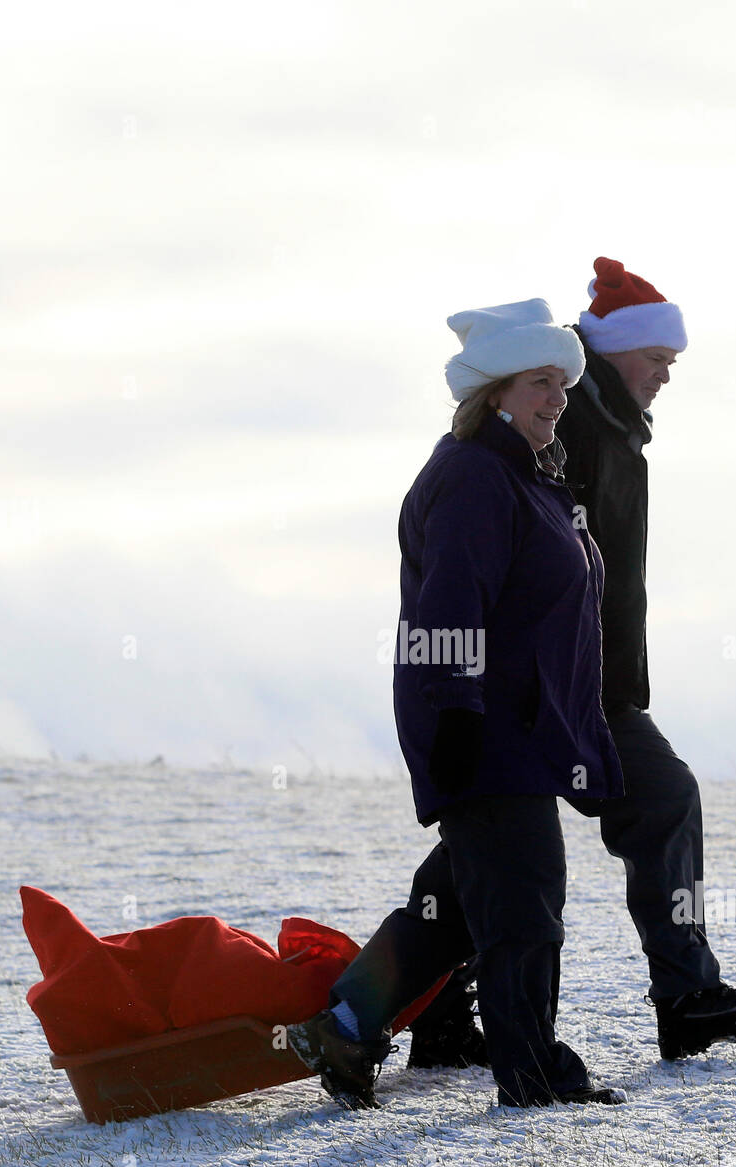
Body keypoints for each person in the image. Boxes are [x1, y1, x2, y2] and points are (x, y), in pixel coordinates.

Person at [408, 258, 736, 1067]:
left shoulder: (609, 434)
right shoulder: (556, 434)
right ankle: (680, 996)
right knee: (613, 815)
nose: (665, 376)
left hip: (583, 685)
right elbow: (484, 576)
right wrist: (460, 700)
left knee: (490, 854)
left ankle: (437, 1012)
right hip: (551, 691)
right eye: (657, 358)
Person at [289, 299, 628, 1110]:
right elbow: (448, 607)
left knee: (451, 905)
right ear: (493, 392)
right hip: (485, 731)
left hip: (520, 729)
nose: (556, 397)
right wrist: (457, 716)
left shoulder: (526, 475)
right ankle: (532, 1073)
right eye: (539, 381)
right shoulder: (477, 476)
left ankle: (343, 1026)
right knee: (523, 904)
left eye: (563, 382)